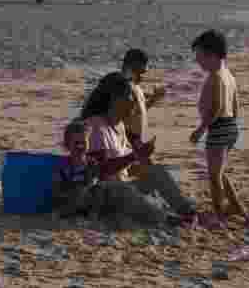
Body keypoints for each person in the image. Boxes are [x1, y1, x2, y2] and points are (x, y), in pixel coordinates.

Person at [80, 72, 199, 227]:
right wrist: (135, 156)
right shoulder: (95, 126)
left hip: (123, 190)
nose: (135, 102)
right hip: (102, 196)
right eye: (131, 97)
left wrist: (143, 162)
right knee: (122, 189)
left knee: (157, 172)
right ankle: (167, 220)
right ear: (115, 99)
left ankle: (187, 212)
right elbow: (100, 171)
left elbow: (124, 170)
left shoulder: (120, 126)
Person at [189, 30, 246, 226]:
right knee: (219, 171)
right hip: (229, 126)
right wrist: (233, 127)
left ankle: (219, 214)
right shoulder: (228, 74)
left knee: (214, 177)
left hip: (219, 127)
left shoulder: (216, 76)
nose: (198, 62)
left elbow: (218, 107)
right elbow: (235, 104)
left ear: (212, 55)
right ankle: (236, 206)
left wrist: (201, 129)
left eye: (199, 57)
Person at [120, 48, 166, 179]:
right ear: (129, 67)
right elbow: (130, 113)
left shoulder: (133, 85)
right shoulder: (123, 86)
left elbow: (139, 105)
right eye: (140, 72)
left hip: (135, 137)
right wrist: (154, 99)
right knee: (147, 170)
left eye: (144, 72)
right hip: (128, 137)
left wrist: (152, 97)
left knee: (141, 170)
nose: (143, 76)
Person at [51, 120, 105, 220]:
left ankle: (92, 218)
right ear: (67, 145)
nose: (80, 146)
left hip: (87, 203)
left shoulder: (92, 164)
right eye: (76, 143)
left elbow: (93, 184)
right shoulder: (64, 167)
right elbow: (57, 190)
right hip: (69, 204)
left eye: (83, 142)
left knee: (98, 189)